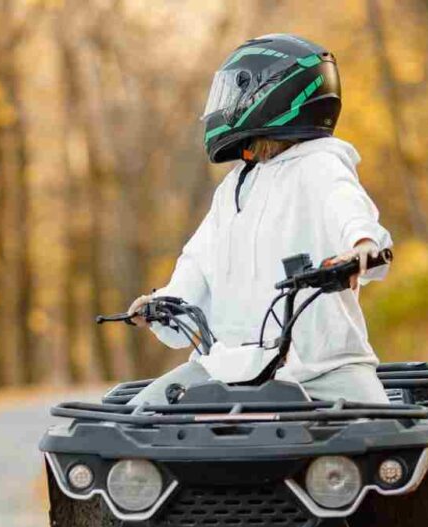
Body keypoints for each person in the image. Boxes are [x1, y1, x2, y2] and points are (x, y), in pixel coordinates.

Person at [126, 33, 392, 406]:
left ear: (273, 93)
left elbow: (347, 207)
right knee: (134, 421)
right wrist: (166, 303)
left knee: (383, 442)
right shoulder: (234, 186)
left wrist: (362, 246)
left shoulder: (320, 163)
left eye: (234, 91)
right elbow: (198, 262)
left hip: (321, 369)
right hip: (225, 367)